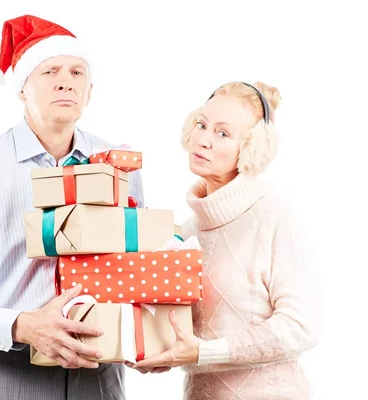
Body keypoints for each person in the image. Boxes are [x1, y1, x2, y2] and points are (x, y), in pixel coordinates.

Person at [0, 14, 144, 400]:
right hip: (2, 376)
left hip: (98, 379)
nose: (66, 81)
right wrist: (21, 325)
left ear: (90, 91)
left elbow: (135, 272)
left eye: (77, 72)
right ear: (22, 87)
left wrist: (150, 338)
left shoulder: (120, 167)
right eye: (49, 70)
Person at [131, 81, 321, 399]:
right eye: (201, 125)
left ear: (251, 149)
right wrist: (159, 350)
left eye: (222, 133)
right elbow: (193, 338)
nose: (203, 140)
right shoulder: (187, 232)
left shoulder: (274, 215)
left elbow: (301, 327)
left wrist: (204, 353)